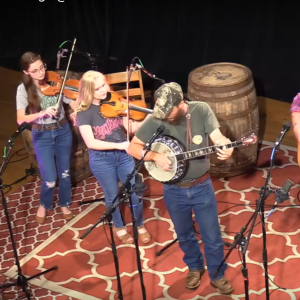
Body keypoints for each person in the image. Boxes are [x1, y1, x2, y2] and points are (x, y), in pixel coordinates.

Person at [127, 82, 234, 294]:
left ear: (181, 103)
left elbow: (217, 137)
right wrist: (154, 156)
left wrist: (225, 145)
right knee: (184, 234)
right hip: (173, 189)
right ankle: (195, 267)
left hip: (201, 186)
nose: (164, 116)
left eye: (169, 111)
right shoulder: (157, 117)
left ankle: (217, 274)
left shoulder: (201, 110)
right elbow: (132, 147)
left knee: (212, 236)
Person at [73, 70, 151, 244]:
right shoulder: (84, 113)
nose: (104, 90)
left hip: (124, 156)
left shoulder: (114, 102)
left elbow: (130, 128)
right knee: (112, 196)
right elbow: (91, 143)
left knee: (134, 192)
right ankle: (119, 226)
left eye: (104, 85)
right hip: (102, 160)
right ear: (88, 91)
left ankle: (139, 225)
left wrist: (150, 118)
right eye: (98, 88)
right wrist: (119, 145)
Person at [16, 51, 75, 224]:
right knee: (49, 178)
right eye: (35, 70)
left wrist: (75, 109)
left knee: (64, 173)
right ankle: (44, 203)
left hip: (63, 130)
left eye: (42, 67)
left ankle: (64, 203)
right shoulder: (24, 89)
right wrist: (41, 113)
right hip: (42, 135)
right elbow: (21, 119)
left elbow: (70, 100)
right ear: (27, 72)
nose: (41, 73)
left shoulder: (54, 79)